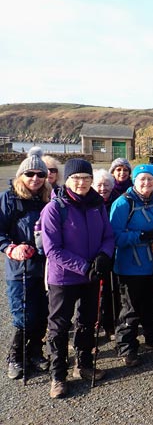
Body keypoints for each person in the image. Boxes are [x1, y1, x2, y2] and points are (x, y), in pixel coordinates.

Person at [42, 158, 114, 398]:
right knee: (59, 327)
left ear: (92, 180)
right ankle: (58, 375)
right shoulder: (55, 208)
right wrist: (84, 267)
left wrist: (104, 255)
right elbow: (53, 250)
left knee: (87, 320)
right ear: (67, 180)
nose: (81, 183)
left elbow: (108, 235)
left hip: (92, 275)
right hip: (64, 278)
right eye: (76, 178)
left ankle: (83, 365)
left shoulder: (97, 204)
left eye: (86, 178)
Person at [110, 164, 153, 368]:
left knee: (152, 303)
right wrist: (140, 236)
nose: (146, 183)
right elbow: (114, 235)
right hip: (131, 265)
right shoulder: (123, 204)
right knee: (131, 309)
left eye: (150, 180)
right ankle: (126, 347)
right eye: (141, 179)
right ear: (134, 181)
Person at [0, 147, 51, 380]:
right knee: (23, 314)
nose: (35, 179)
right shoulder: (9, 198)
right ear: (21, 175)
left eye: (40, 175)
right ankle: (15, 356)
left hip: (47, 266)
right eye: (30, 174)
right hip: (21, 267)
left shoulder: (48, 197)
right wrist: (11, 247)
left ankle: (35, 352)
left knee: (43, 313)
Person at [92, 169, 119, 340]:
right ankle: (96, 323)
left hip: (113, 250)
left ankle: (111, 324)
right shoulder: (90, 203)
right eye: (99, 185)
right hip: (94, 252)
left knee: (113, 290)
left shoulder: (117, 201)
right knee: (95, 291)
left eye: (106, 185)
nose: (103, 188)